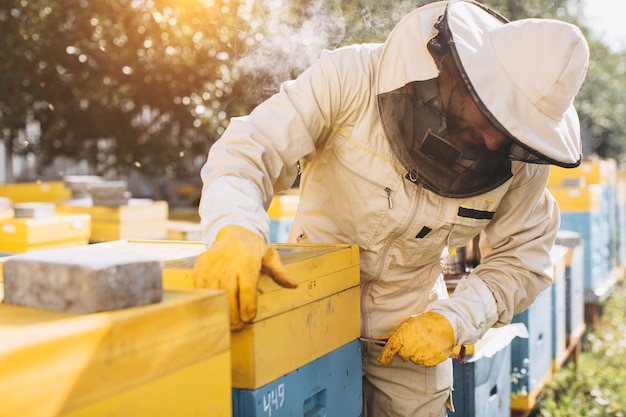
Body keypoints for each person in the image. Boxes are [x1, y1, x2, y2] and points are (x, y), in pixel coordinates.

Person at [192, 0, 590, 415]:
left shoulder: (519, 163)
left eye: (512, 131)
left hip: (411, 333)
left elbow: (523, 260)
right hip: (311, 315)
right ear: (460, 72)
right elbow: (250, 148)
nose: (494, 142)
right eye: (494, 118)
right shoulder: (351, 78)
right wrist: (235, 227)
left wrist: (453, 320)